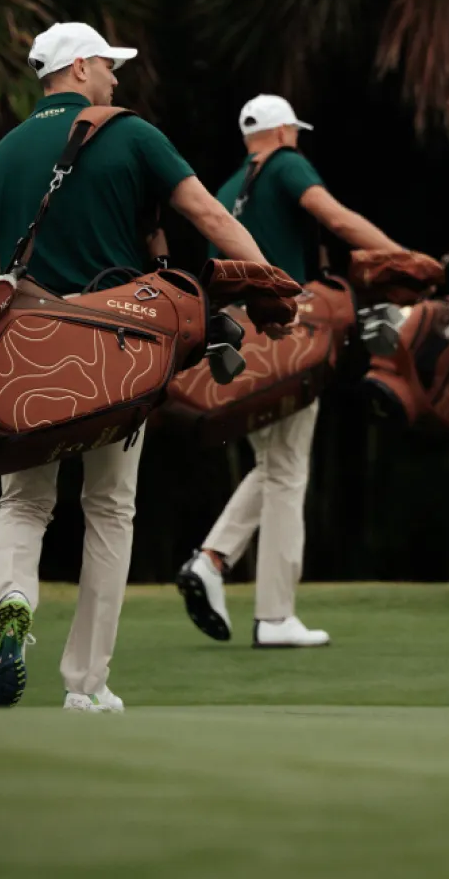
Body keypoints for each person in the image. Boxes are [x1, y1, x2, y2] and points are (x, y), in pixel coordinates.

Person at [0, 22, 270, 711]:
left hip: (21, 349)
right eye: (110, 64)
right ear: (79, 67)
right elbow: (211, 217)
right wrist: (269, 280)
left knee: (22, 503)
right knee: (109, 509)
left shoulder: (2, 153)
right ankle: (86, 684)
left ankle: (11, 606)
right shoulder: (130, 133)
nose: (116, 77)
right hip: (111, 349)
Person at [176, 94, 405, 647]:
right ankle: (275, 615)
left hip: (236, 336)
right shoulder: (286, 163)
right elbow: (334, 216)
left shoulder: (229, 189)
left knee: (274, 461)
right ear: (281, 131)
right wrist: (402, 259)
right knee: (287, 470)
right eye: (294, 132)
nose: (297, 139)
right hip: (285, 330)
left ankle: (211, 560)